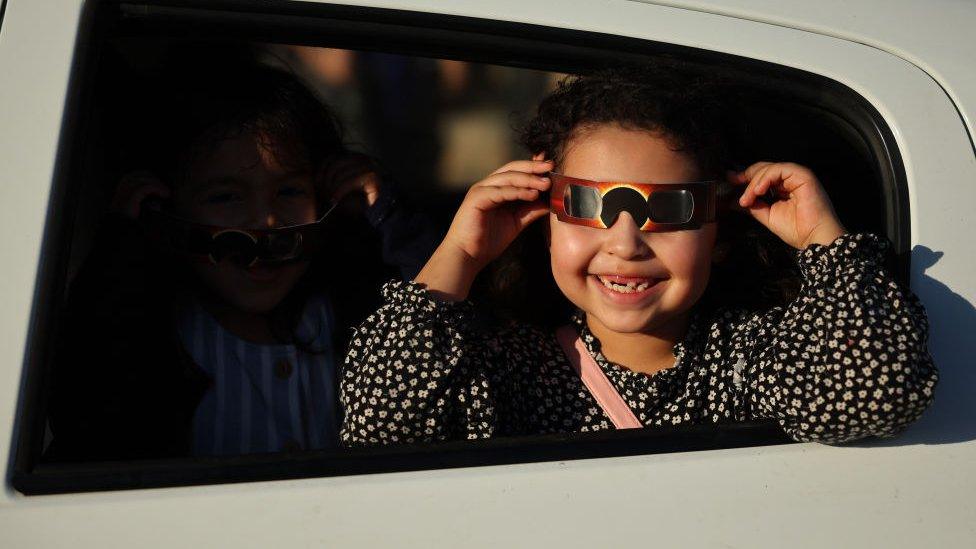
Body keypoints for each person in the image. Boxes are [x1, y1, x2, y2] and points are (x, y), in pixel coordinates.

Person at [340, 64, 938, 446]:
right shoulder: (502, 367)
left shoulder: (751, 358)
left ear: (721, 233)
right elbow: (380, 425)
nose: (625, 244)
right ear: (545, 223)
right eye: (586, 205)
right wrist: (460, 254)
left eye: (671, 211)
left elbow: (873, 398)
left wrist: (824, 243)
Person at [48, 57, 438, 460]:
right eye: (225, 197)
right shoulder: (150, 331)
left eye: (289, 192)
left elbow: (443, 324)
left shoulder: (351, 309)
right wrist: (124, 249)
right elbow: (86, 394)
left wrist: (386, 217)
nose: (266, 222)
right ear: (163, 207)